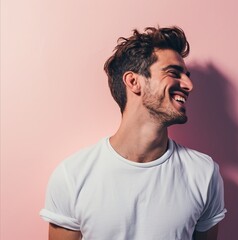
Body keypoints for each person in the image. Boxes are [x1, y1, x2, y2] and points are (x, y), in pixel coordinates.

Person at [40, 26, 226, 240]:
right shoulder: (72, 176)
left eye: (186, 75)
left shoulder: (204, 173)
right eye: (173, 73)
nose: (189, 85)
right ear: (133, 82)